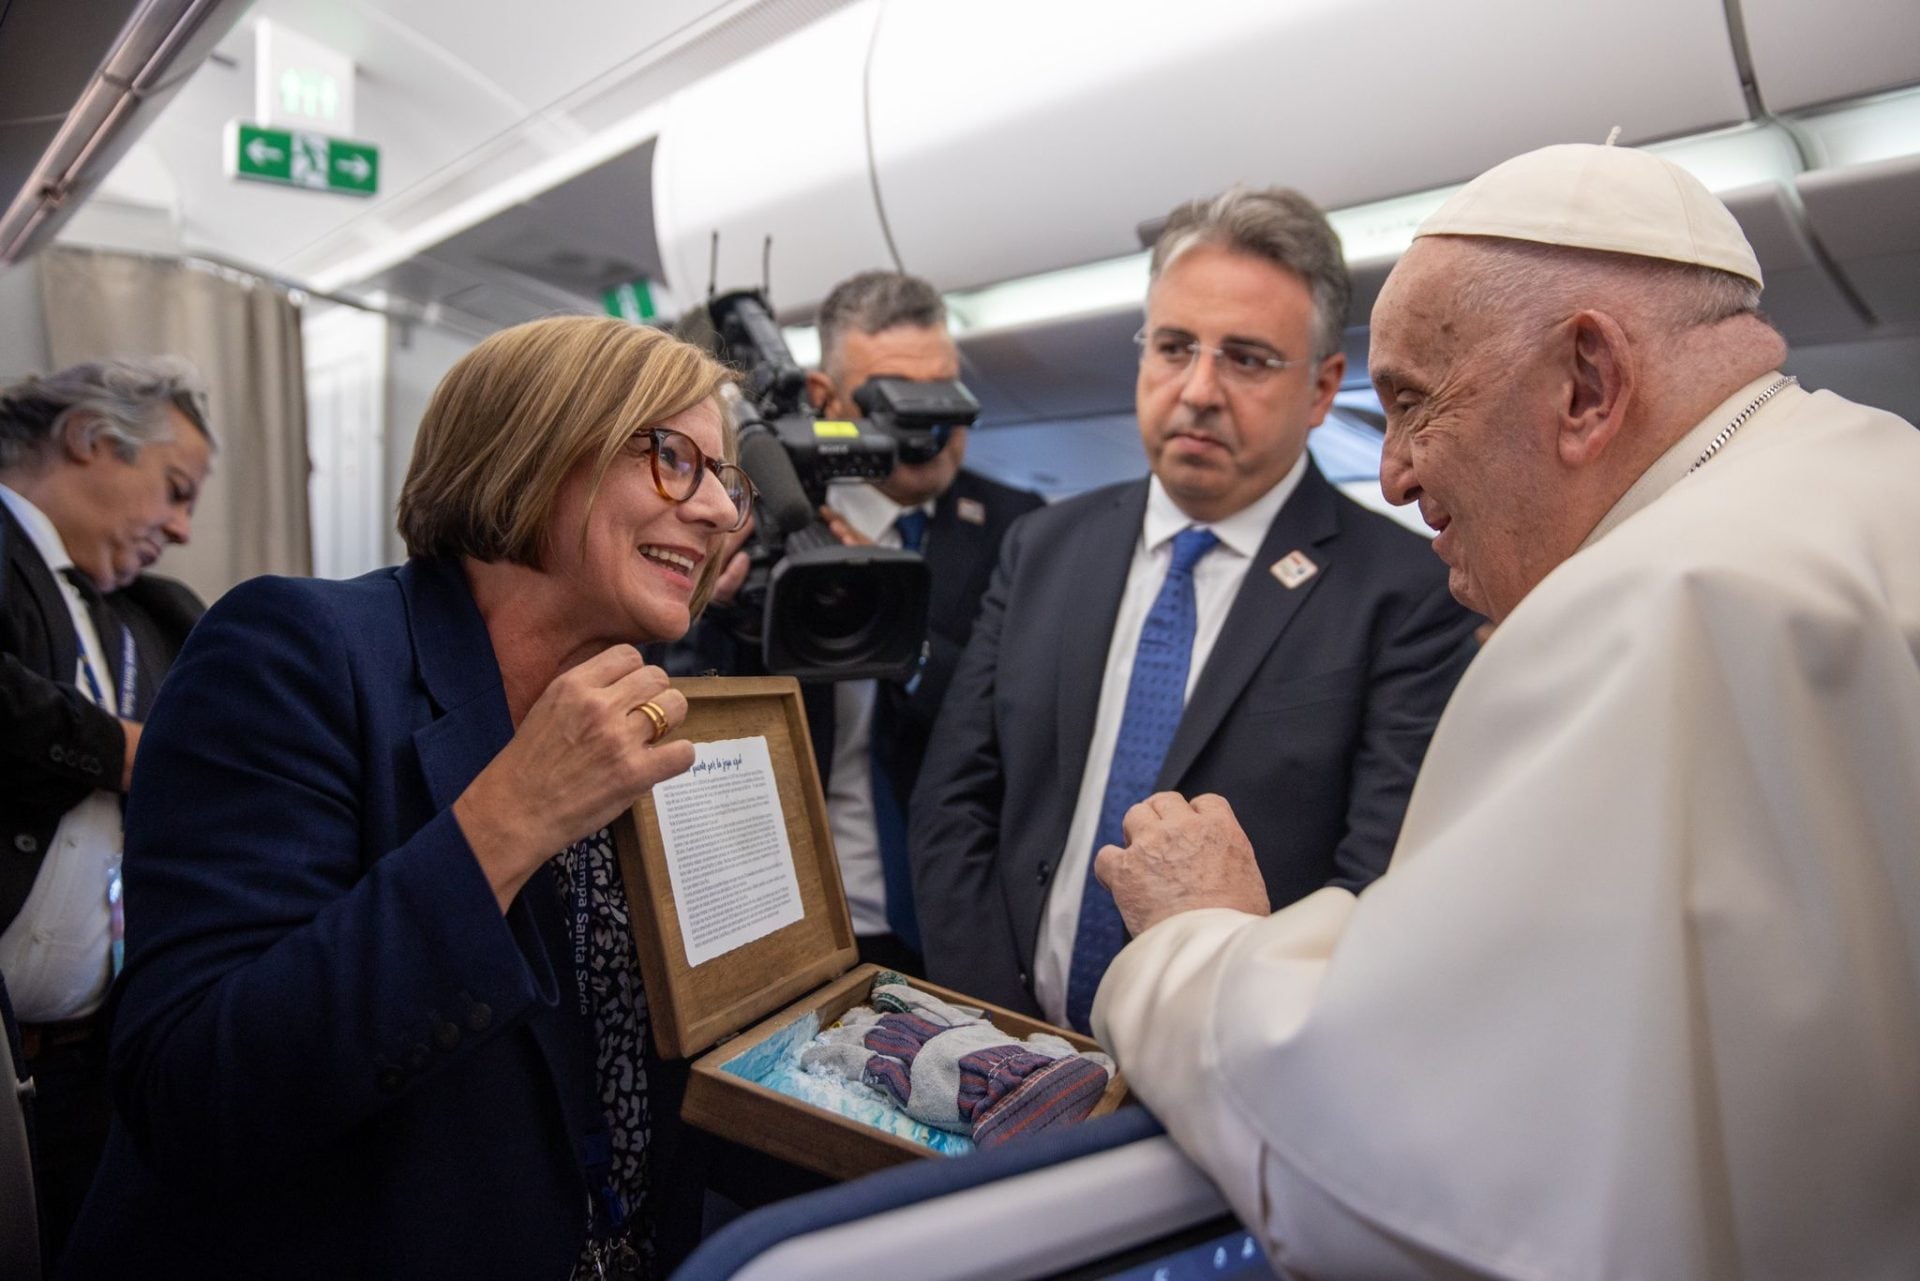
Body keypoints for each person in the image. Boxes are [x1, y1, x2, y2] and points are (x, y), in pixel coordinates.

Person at [1092, 143, 1920, 1279]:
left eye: (1415, 406)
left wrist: (1198, 934)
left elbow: (1400, 1144)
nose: (1390, 476)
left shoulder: (1657, 602)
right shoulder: (1870, 476)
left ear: (1587, 382)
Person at [64, 316, 753, 1280]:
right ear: (536, 446)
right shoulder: (294, 651)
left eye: (727, 478)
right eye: (676, 458)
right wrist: (511, 822)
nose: (721, 510)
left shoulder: (641, 711)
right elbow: (193, 1093)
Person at [911, 186, 1480, 1032]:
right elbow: (953, 801)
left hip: (1229, 1068)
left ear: (1324, 388)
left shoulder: (1403, 594)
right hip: (1006, 1039)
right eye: (1175, 346)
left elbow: (1375, 883)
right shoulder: (1042, 547)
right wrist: (996, 1027)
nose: (1199, 388)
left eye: (1247, 358)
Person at [668, 271, 1044, 973]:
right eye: (899, 398)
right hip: (789, 904)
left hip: (958, 918)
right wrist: (713, 608)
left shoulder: (1024, 530)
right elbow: (687, 713)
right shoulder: (757, 518)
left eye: (945, 393)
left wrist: (890, 620)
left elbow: (1024, 717)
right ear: (825, 398)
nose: (931, 426)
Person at [0, 357, 213, 1259]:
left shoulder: (147, 617)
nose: (181, 526)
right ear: (91, 438)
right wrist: (126, 750)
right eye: (174, 490)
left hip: (89, 1057)